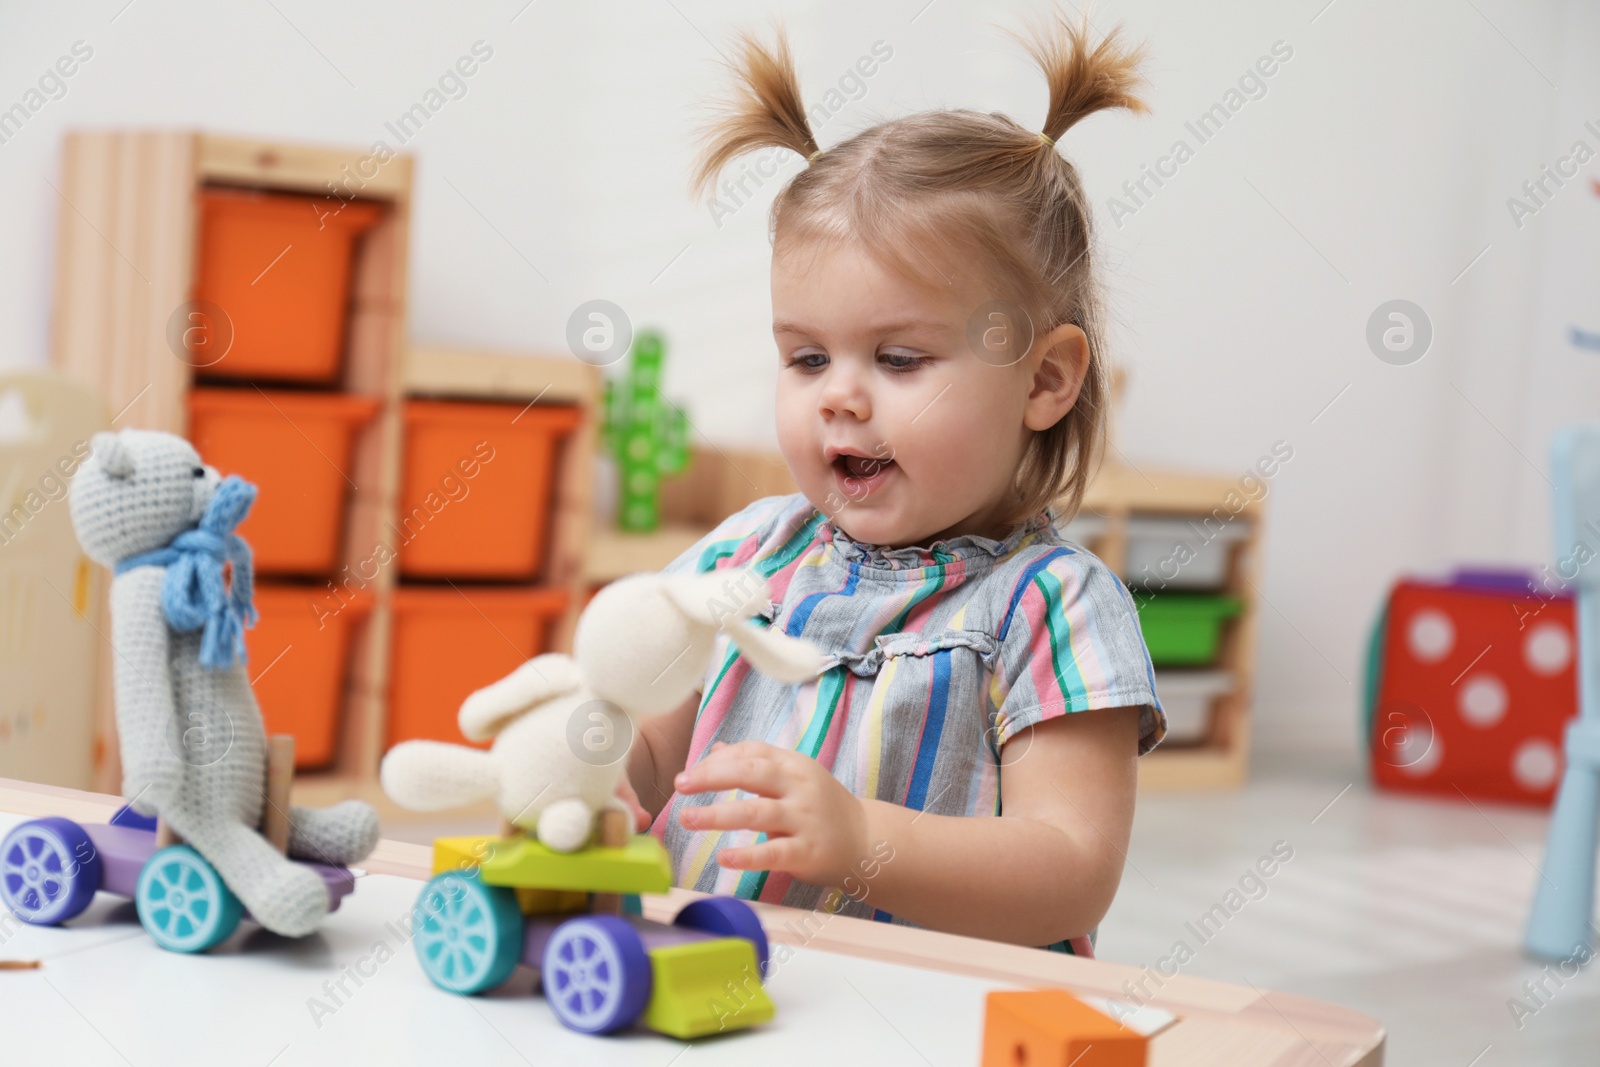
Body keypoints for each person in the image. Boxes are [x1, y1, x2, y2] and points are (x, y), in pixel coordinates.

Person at [621, 14, 1164, 955]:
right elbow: (650, 749)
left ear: (1044, 380)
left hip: (933, 1019)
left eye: (900, 358)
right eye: (805, 356)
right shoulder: (745, 553)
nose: (838, 396)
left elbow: (1071, 872)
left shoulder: (1054, 607)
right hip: (710, 989)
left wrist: (864, 838)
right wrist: (596, 786)